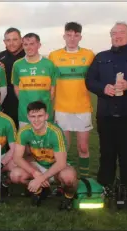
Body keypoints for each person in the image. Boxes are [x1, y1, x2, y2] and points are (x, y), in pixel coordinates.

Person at [85, 22, 127, 206]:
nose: (117, 36)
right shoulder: (101, 57)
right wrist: (102, 88)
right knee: (106, 154)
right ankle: (106, 186)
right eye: (113, 33)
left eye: (121, 32)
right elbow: (90, 80)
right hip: (105, 115)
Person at [48, 22, 95, 178]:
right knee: (64, 147)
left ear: (80, 37)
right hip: (62, 108)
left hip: (83, 108)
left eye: (76, 35)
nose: (72, 38)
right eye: (69, 34)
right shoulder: (54, 56)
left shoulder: (89, 55)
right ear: (64, 36)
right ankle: (65, 178)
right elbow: (50, 82)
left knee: (83, 147)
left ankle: (85, 179)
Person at [10, 101, 77, 210]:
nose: (36, 120)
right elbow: (17, 158)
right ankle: (39, 191)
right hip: (38, 164)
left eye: (40, 116)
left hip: (55, 165)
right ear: (28, 117)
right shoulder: (24, 131)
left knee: (68, 177)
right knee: (15, 175)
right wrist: (35, 173)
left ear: (46, 116)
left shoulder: (55, 132)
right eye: (33, 116)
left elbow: (61, 163)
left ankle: (68, 197)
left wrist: (41, 178)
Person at [12, 33, 57, 128]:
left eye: (32, 44)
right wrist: (25, 100)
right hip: (25, 115)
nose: (29, 47)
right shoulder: (17, 65)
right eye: (25, 44)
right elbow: (16, 87)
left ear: (39, 45)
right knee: (25, 142)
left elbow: (52, 91)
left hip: (45, 115)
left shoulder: (49, 64)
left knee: (45, 142)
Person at [0, 27, 25, 129]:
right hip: (5, 102)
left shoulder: (28, 55)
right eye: (8, 40)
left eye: (15, 39)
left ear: (21, 39)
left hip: (24, 100)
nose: (11, 43)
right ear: (4, 41)